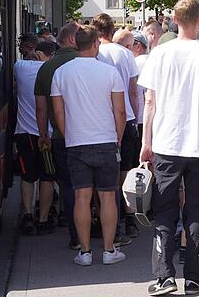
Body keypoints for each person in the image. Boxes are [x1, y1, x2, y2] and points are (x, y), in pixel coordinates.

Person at [140, 0, 199, 296]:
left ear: (174, 20)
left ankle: (164, 277)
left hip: (166, 142)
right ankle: (193, 277)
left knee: (164, 210)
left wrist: (146, 141)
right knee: (196, 211)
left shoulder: (160, 54)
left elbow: (150, 102)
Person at [51, 25, 127, 266]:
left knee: (81, 198)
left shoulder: (61, 73)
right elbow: (120, 111)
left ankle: (84, 252)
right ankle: (108, 249)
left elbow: (58, 111)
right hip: (105, 140)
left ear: (75, 44)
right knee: (107, 197)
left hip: (76, 143)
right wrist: (118, 137)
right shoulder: (109, 72)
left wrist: (68, 134)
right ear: (95, 44)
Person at [93, 13, 139, 242]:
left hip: (103, 121)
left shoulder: (94, 54)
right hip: (127, 118)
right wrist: (135, 117)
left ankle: (103, 220)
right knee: (126, 173)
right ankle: (129, 220)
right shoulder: (124, 53)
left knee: (104, 177)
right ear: (112, 31)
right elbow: (133, 90)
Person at [35, 22, 81, 249]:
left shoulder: (46, 68)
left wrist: (43, 134)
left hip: (60, 137)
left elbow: (41, 108)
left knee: (68, 186)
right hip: (90, 136)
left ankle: (75, 236)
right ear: (73, 39)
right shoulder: (89, 62)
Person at [15, 33, 55, 236]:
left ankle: (28, 215)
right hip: (47, 133)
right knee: (47, 177)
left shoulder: (19, 68)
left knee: (27, 176)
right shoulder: (50, 71)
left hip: (25, 134)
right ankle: (44, 218)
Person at [131, 30, 149, 174]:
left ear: (138, 46)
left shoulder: (135, 63)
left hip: (140, 118)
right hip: (152, 119)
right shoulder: (153, 60)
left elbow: (137, 94)